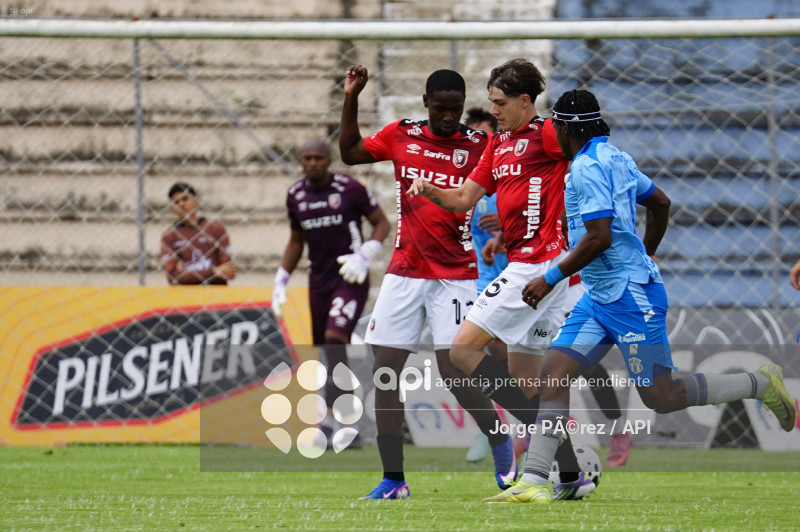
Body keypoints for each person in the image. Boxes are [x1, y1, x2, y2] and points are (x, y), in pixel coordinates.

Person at [483, 89, 797, 504]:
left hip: (631, 298)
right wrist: (645, 253)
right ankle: (536, 480)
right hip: (600, 295)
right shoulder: (617, 157)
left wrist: (550, 277)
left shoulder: (586, 168)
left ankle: (759, 383)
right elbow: (660, 202)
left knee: (662, 397)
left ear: (565, 128)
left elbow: (598, 237)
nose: (551, 132)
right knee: (553, 376)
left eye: (554, 125)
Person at [407, 58, 593, 501]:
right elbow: (463, 198)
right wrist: (429, 189)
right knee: (524, 377)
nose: (494, 111)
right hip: (536, 269)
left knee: (462, 350)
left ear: (526, 101)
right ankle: (571, 475)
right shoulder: (497, 145)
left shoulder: (549, 134)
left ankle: (539, 446)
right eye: (491, 102)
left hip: (536, 266)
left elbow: (588, 155)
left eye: (500, 103)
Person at [340, 64, 516, 500]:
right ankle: (393, 479)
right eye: (440, 109)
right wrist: (351, 98)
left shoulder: (481, 145)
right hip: (404, 271)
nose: (448, 117)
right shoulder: (402, 134)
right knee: (385, 372)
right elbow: (350, 152)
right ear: (426, 104)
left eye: (455, 109)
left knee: (454, 371)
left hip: (455, 275)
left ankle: (500, 440)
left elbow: (517, 187)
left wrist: (505, 225)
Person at [271, 138, 390, 445]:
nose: (312, 163)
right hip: (318, 281)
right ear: (301, 161)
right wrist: (282, 278)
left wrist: (366, 253)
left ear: (329, 160)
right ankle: (333, 423)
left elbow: (381, 223)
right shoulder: (296, 195)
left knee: (335, 341)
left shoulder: (349, 189)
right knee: (329, 351)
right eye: (307, 158)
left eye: (318, 158)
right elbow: (296, 240)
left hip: (349, 277)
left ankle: (343, 423)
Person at [463, 107, 508, 463]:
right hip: (481, 277)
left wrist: (508, 226)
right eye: (475, 137)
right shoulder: (467, 182)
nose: (481, 143)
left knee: (522, 356)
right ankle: (495, 425)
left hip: (523, 273)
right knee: (483, 349)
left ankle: (537, 421)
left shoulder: (510, 174)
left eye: (486, 136)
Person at [160, 182, 237, 285]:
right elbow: (173, 277)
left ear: (196, 200)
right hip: (185, 294)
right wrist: (214, 271)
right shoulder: (169, 236)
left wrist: (187, 273)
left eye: (185, 199)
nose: (181, 204)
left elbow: (228, 271)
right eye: (176, 202)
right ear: (172, 208)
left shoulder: (215, 228)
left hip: (215, 292)